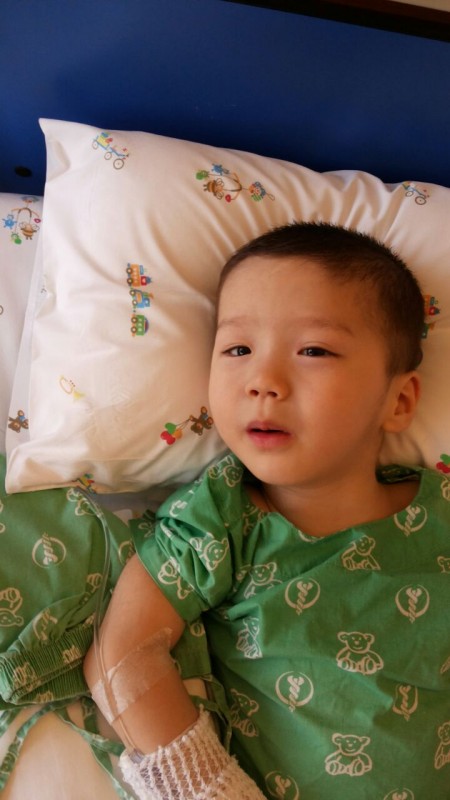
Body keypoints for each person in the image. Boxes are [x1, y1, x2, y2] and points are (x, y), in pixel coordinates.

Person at [84, 222, 450, 799]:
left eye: (313, 350)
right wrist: (212, 789)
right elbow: (121, 655)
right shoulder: (220, 517)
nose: (264, 381)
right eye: (238, 349)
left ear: (398, 399)